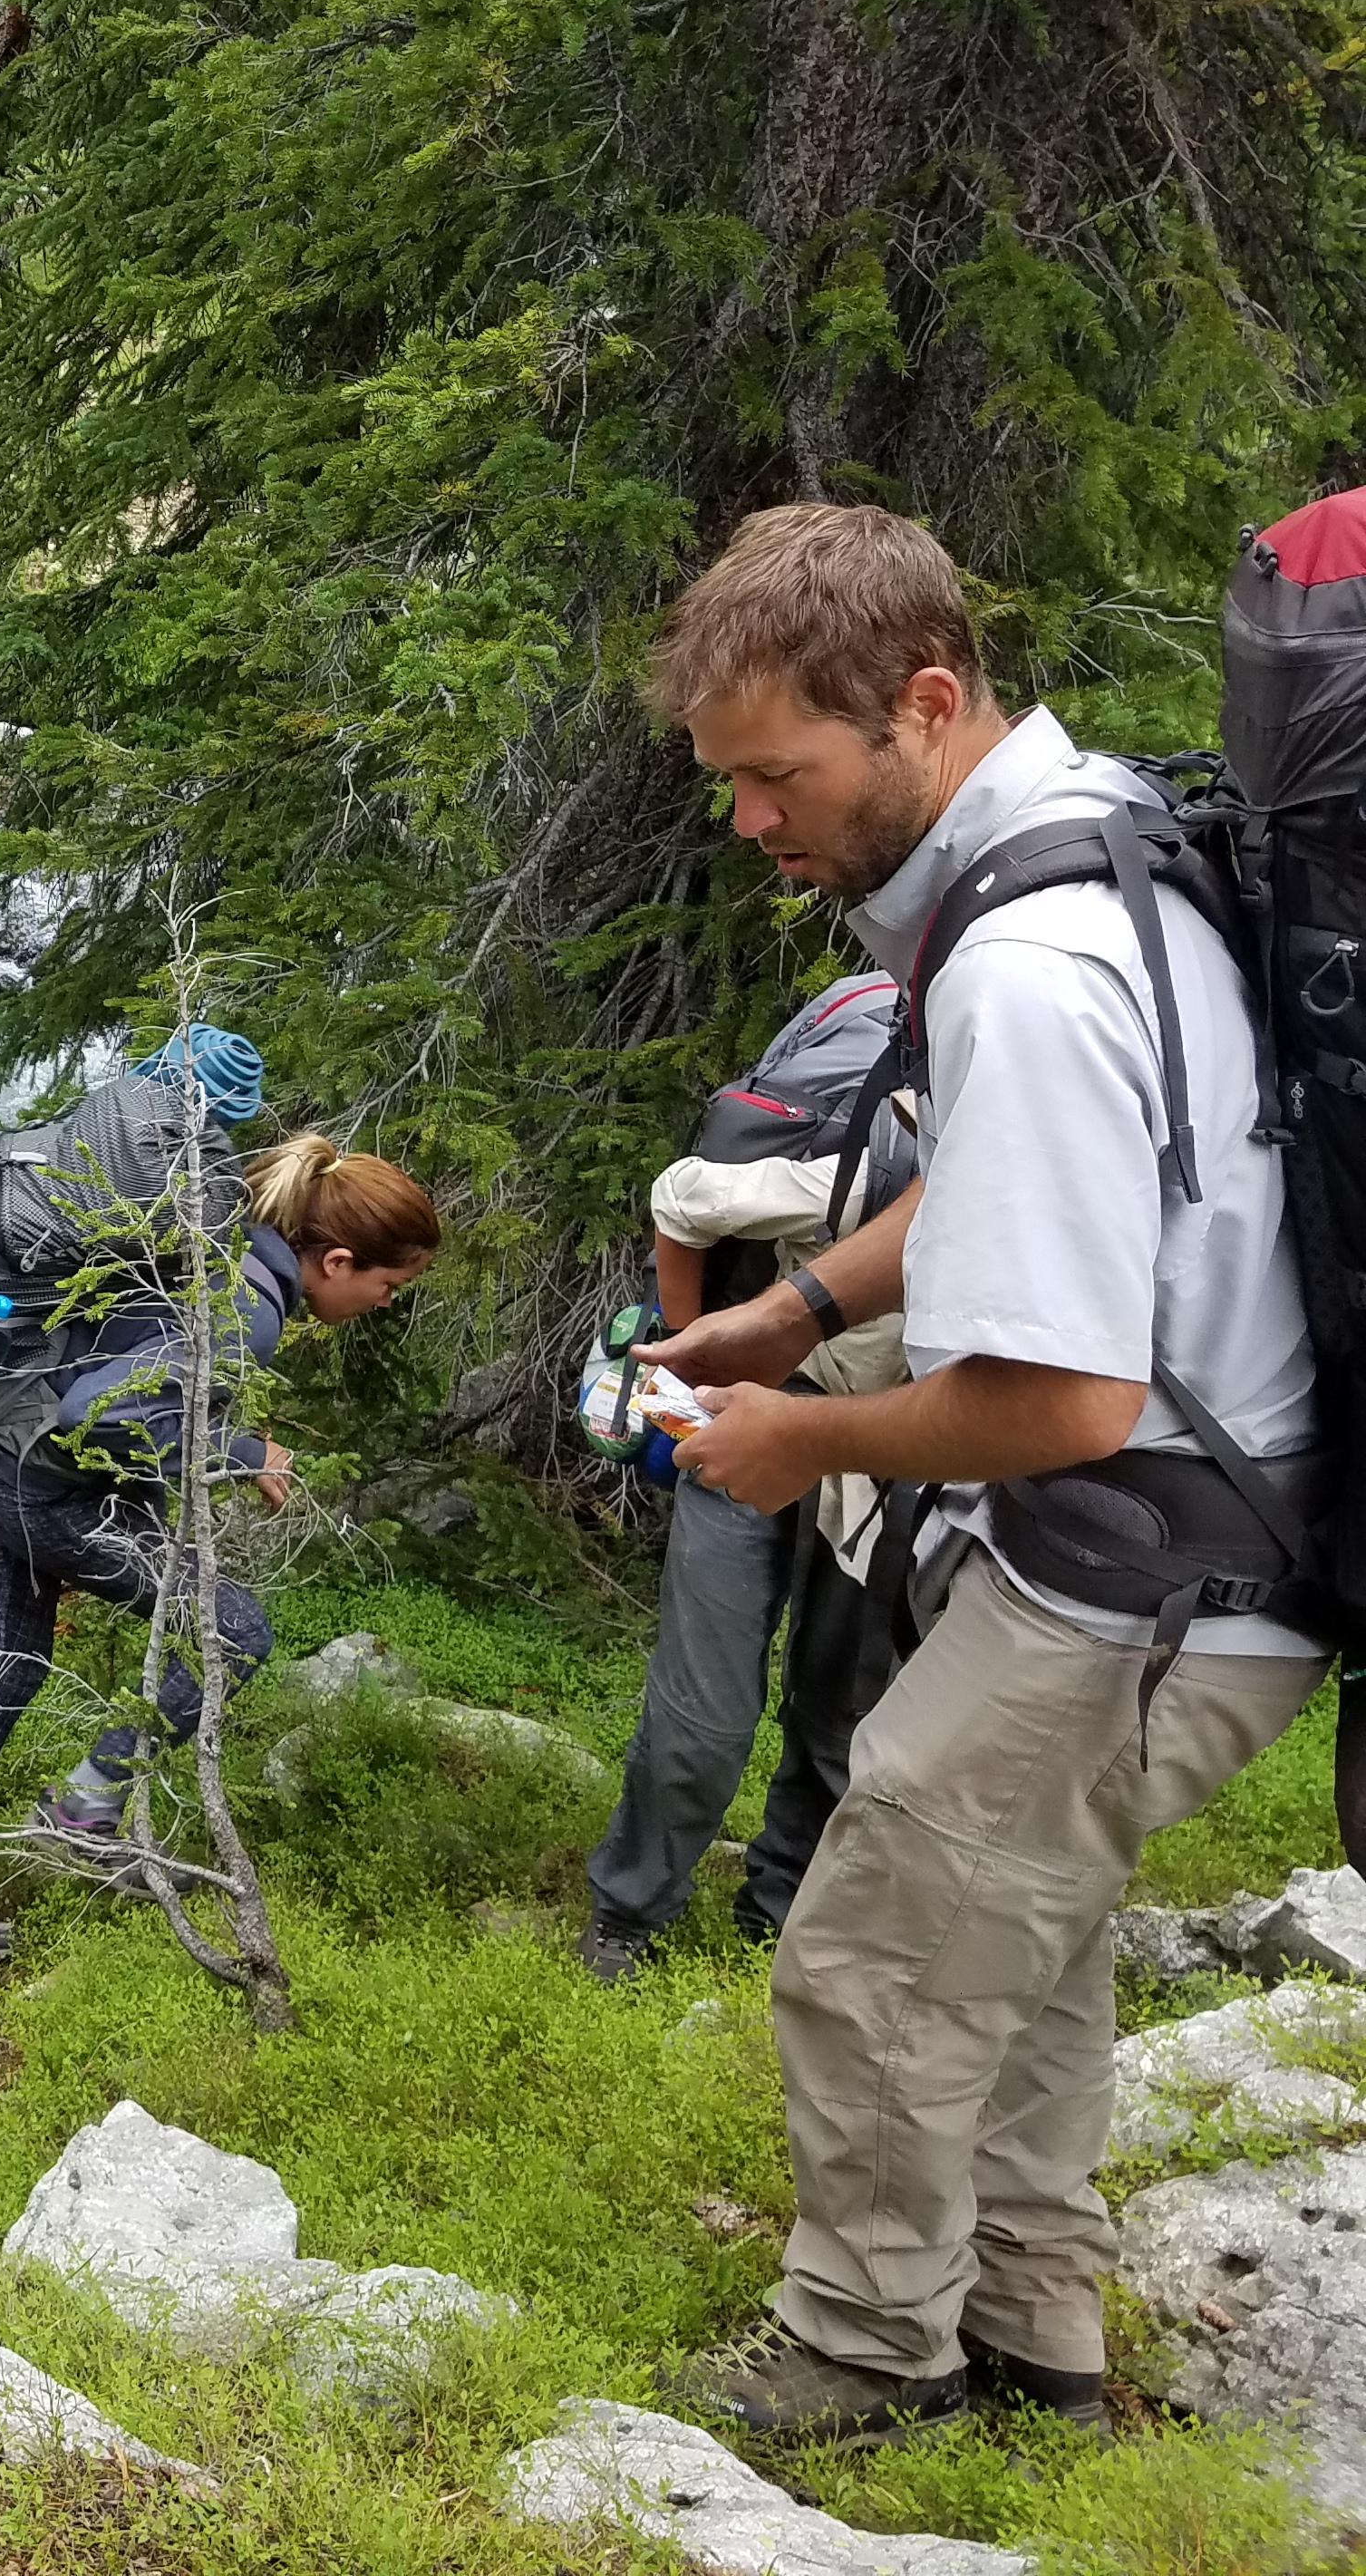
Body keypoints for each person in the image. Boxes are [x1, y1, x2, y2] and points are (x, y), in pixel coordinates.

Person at [646, 502, 1326, 2443]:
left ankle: (864, 2362)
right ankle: (1038, 2339)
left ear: (924, 706)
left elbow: (1060, 1399)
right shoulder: (1095, 837)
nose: (752, 821)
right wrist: (799, 1313)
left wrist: (803, 1438)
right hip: (1210, 1544)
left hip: (1145, 1568)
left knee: (873, 1956)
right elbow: (1026, 1181)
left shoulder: (1020, 968)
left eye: (778, 774)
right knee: (1015, 1944)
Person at [0, 1133, 441, 1963]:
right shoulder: (250, 1305)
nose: (387, 1301)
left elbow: (128, 1368)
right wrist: (238, 1455)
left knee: (7, 1666)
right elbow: (103, 1416)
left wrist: (222, 1435)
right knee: (236, 1631)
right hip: (48, 1490)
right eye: (390, 1285)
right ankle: (86, 1811)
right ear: (339, 1261)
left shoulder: (217, 1234)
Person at [581, 975, 918, 1981]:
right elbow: (681, 1199)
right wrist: (689, 1352)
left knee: (842, 1703)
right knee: (706, 1704)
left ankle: (779, 1915)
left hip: (889, 1449)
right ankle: (627, 1917)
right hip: (755, 1421)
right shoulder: (865, 1171)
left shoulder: (1039, 1176)